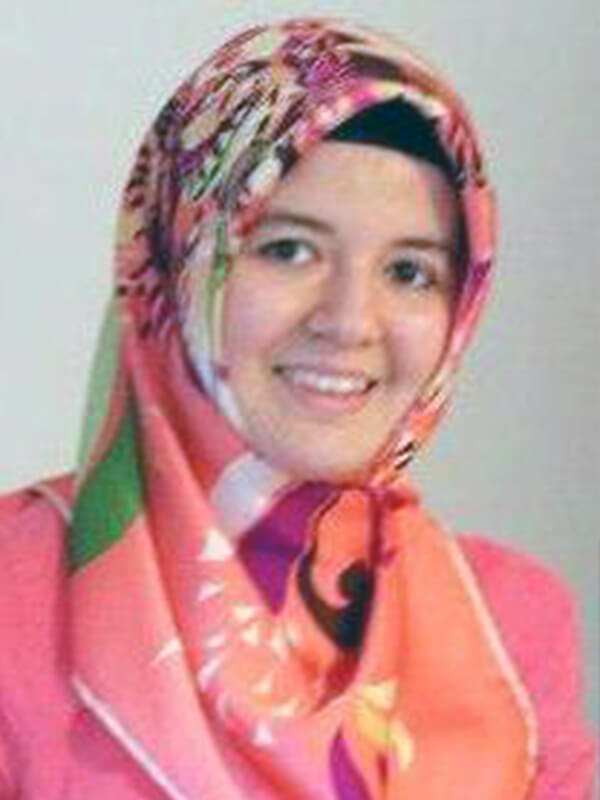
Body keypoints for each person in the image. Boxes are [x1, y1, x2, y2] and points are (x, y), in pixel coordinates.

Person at [0, 17, 595, 799]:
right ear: (181, 260)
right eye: (288, 249)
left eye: (409, 271)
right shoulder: (15, 587)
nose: (350, 321)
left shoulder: (511, 620)